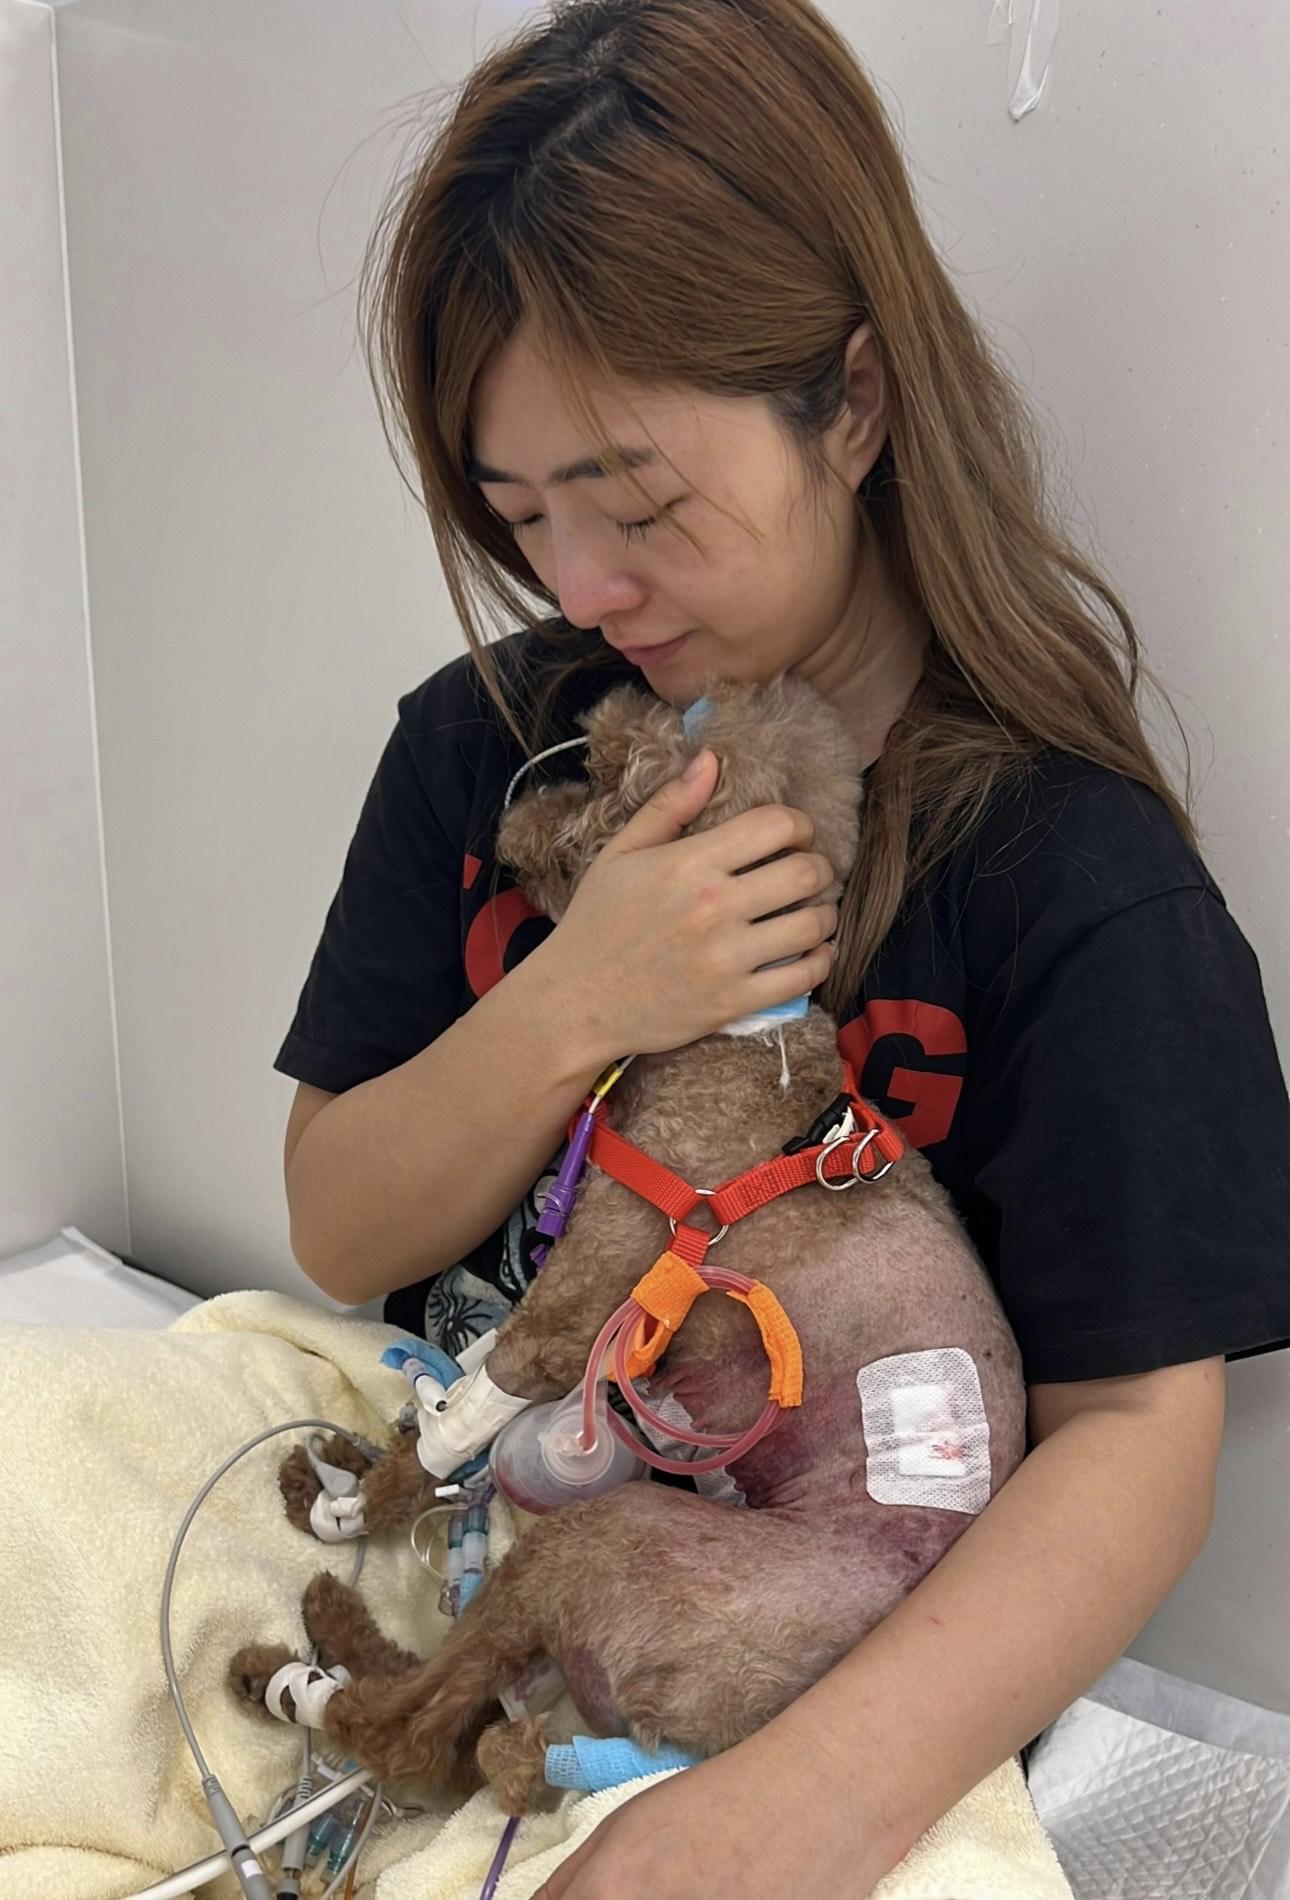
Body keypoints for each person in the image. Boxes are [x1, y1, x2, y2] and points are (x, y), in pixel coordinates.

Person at [273, 1, 1290, 1891]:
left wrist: (799, 1811)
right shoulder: (485, 753)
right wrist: (583, 1000)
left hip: (816, 1656)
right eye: (519, 513)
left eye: (638, 501)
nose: (582, 585)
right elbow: (337, 1225)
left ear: (855, 402)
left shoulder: (1065, 879)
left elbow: (1140, 1434)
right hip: (456, 1529)